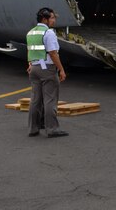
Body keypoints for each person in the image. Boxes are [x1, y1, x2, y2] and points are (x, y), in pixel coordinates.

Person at [26, 7, 68, 138]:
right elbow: (53, 53)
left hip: (34, 68)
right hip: (47, 69)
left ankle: (33, 128)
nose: (54, 20)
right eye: (52, 18)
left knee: (35, 100)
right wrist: (61, 69)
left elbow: (30, 50)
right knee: (50, 100)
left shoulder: (31, 32)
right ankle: (52, 129)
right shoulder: (48, 33)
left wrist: (30, 64)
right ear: (45, 19)